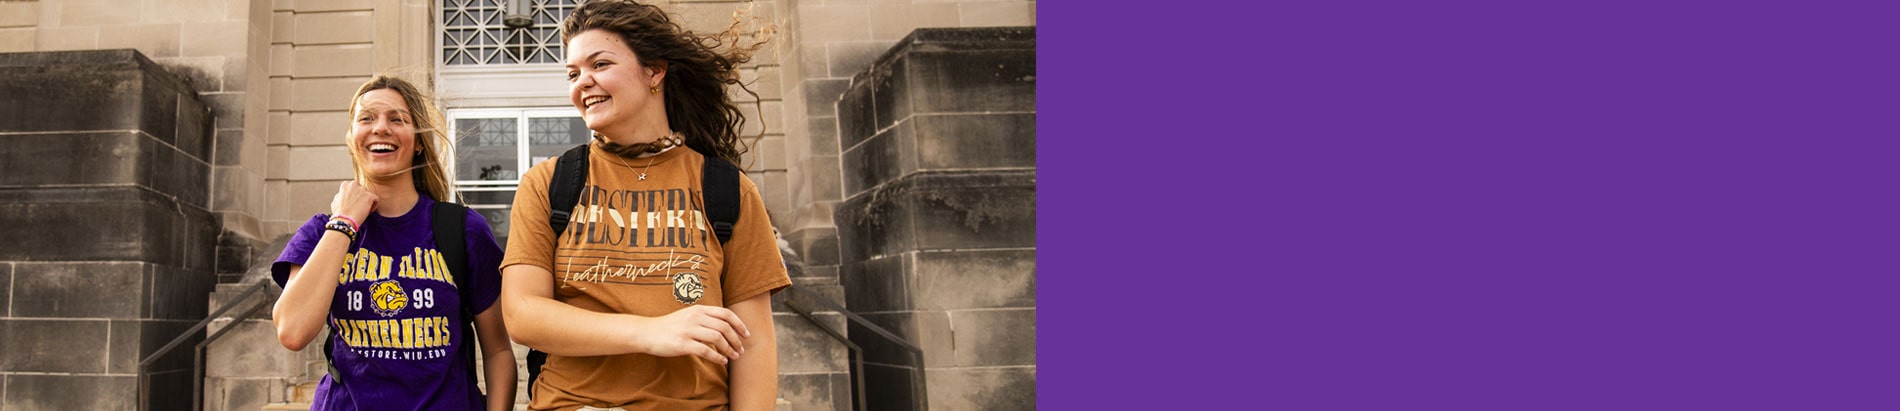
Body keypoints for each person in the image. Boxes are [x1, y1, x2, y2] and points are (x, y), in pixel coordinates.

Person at [499, 1, 790, 410]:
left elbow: (754, 341)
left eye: (599, 64)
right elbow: (522, 313)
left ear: (654, 71)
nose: (582, 82)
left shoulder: (726, 188)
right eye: (573, 73)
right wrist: (651, 332)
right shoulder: (548, 182)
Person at [270, 75, 517, 411]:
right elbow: (293, 332)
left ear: (417, 141)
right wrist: (344, 223)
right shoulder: (321, 232)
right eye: (367, 118)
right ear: (353, 138)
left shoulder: (463, 230)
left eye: (397, 119)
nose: (380, 128)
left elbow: (499, 351)